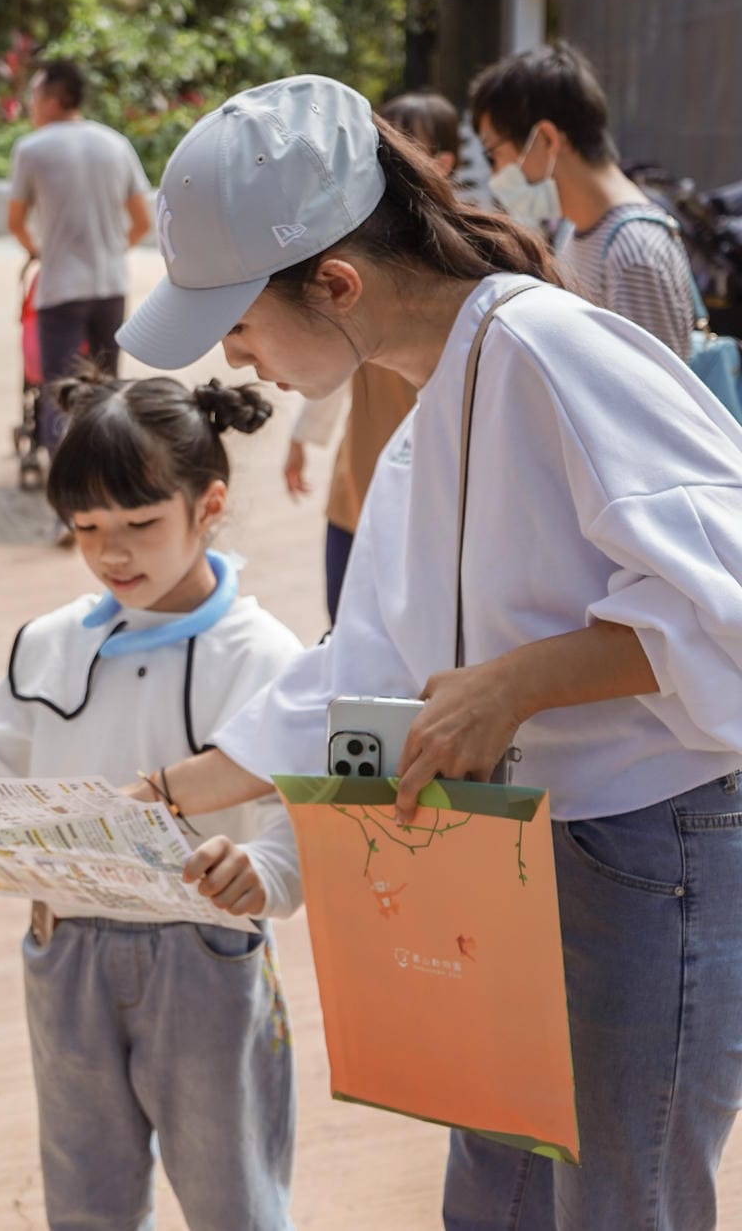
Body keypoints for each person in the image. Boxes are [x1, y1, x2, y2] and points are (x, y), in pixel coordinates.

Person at [117, 74, 742, 1230]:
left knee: (621, 1197)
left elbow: (727, 595)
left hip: (642, 850)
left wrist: (519, 685)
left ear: (336, 284)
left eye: (240, 324)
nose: (238, 360)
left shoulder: (549, 349)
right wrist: (172, 793)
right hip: (510, 850)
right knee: (494, 1196)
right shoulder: (443, 392)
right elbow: (372, 666)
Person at [0, 370, 303, 1231]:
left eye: (142, 524)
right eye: (88, 528)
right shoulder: (49, 645)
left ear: (208, 504)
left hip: (205, 961)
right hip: (63, 950)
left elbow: (300, 812)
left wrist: (260, 870)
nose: (114, 554)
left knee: (234, 1200)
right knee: (86, 1198)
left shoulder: (262, 657)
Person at [283, 92, 458, 617]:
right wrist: (301, 438)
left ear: (442, 161)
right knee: (345, 630)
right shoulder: (355, 241)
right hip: (359, 476)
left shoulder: (462, 257)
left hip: (435, 489)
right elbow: (335, 350)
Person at [472, 40, 696, 357]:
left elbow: (655, 400)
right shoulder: (574, 227)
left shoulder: (634, 251)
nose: (495, 176)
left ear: (546, 139)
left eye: (492, 155)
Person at [6, 60, 151, 456]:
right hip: (110, 286)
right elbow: (143, 220)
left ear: (53, 99)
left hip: (60, 290)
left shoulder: (31, 149)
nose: (31, 105)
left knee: (60, 394)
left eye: (34, 96)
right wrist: (112, 250)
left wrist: (39, 251)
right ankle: (104, 471)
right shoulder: (116, 144)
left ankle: (66, 489)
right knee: (104, 391)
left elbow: (15, 221)